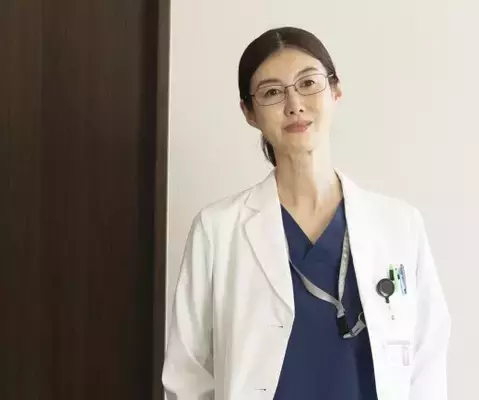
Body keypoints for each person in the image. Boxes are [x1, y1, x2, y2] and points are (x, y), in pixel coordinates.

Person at [162, 26, 451, 400]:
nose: (294, 103)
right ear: (249, 112)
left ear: (335, 91)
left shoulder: (399, 224)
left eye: (308, 83)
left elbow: (427, 361)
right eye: (272, 92)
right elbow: (187, 375)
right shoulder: (217, 230)